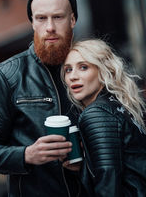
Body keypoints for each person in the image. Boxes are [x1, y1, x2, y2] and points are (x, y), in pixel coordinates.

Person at [0, 0, 81, 197]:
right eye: (41, 18)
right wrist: (27, 155)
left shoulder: (95, 69)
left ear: (72, 20)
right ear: (32, 23)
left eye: (57, 17)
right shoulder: (7, 75)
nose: (50, 27)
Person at [62, 39, 146, 197]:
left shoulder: (96, 113)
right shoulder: (121, 105)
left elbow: (108, 183)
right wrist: (85, 167)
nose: (73, 76)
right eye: (68, 70)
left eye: (83, 67)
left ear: (103, 70)